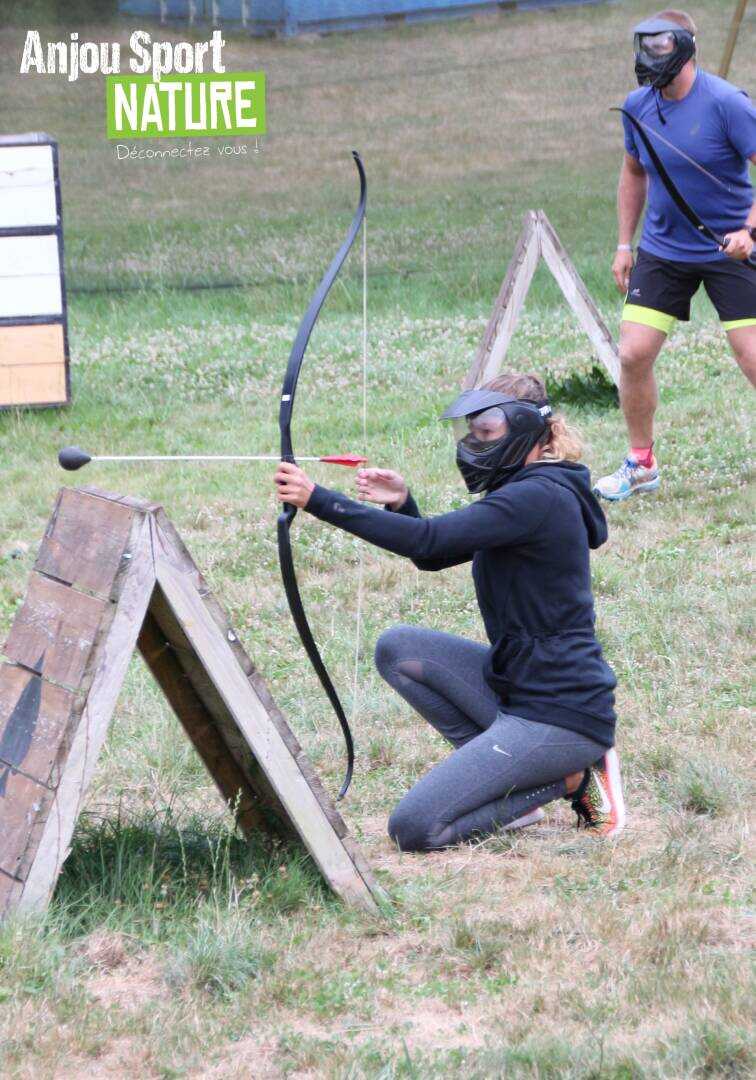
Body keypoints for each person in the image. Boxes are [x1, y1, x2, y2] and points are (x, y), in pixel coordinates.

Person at [275, 372, 625, 852]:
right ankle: (514, 792)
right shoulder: (525, 491)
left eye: (486, 431)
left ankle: (570, 779)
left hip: (562, 712)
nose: (473, 443)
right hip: (519, 689)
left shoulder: (536, 496)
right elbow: (434, 554)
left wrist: (319, 500)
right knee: (399, 649)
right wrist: (402, 503)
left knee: (415, 828)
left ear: (523, 428)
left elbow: (429, 541)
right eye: (472, 431)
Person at [596, 9, 756, 502]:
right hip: (664, 250)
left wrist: (751, 232)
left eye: (660, 47)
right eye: (644, 47)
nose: (649, 58)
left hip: (729, 249)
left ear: (685, 48)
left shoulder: (729, 104)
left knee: (752, 357)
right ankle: (641, 463)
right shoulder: (637, 105)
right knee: (633, 353)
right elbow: (633, 172)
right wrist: (625, 244)